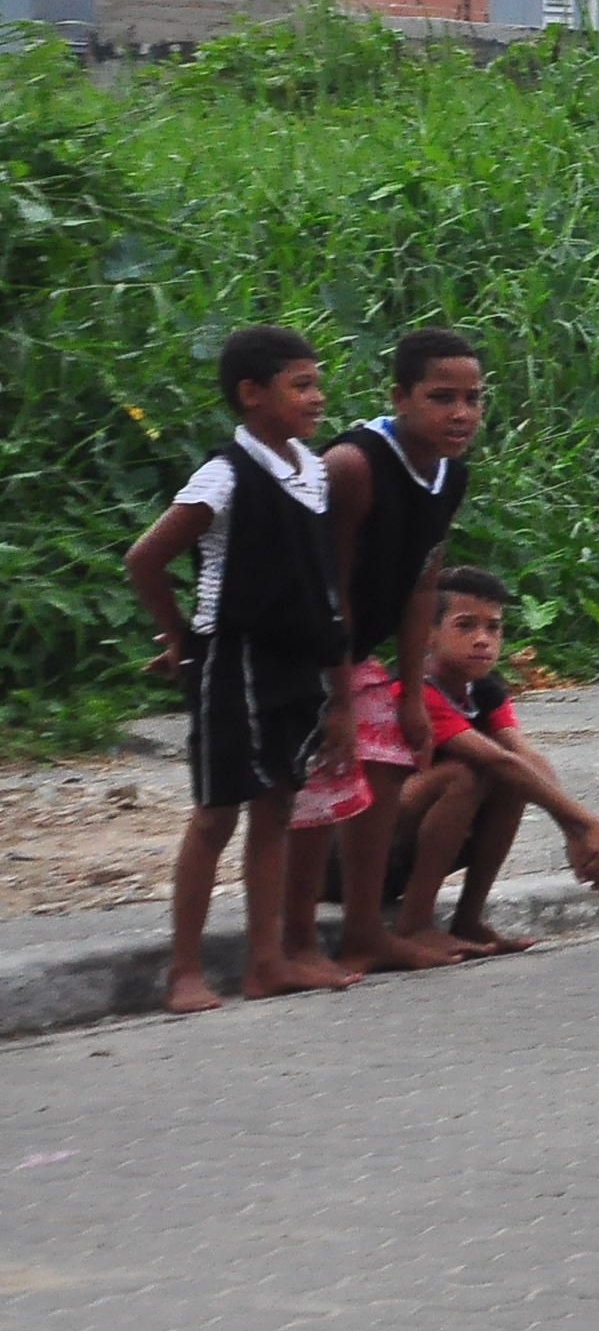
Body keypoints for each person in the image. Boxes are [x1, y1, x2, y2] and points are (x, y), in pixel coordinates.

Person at [123, 325, 361, 1012]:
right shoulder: (224, 474)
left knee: (276, 807)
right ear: (251, 394)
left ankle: (266, 962)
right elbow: (145, 559)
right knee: (214, 815)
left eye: (318, 383)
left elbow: (324, 587)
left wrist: (338, 691)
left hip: (293, 662)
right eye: (301, 385)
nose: (317, 398)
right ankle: (184, 971)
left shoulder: (312, 472)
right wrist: (179, 636)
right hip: (232, 660)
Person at [278, 327, 484, 975]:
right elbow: (326, 587)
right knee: (310, 792)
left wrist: (413, 688)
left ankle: (365, 931)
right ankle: (293, 938)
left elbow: (424, 579)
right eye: (441, 397)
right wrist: (338, 695)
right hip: (300, 643)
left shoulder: (448, 474)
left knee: (389, 763)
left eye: (473, 398)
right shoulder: (355, 465)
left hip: (361, 648)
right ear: (400, 396)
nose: (460, 413)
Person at [386, 568, 599, 951]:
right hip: (354, 859)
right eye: (465, 626)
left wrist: (573, 831)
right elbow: (498, 761)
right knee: (463, 776)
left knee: (516, 779)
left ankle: (467, 920)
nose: (483, 640)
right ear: (427, 633)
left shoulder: (483, 691)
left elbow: (525, 759)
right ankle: (414, 925)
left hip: (409, 849)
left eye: (493, 628)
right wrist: (583, 824)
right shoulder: (410, 690)